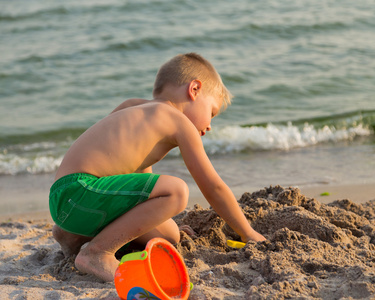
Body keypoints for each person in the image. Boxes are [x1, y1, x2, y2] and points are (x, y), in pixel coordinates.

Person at [49, 52, 266, 282]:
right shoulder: (178, 121)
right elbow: (213, 187)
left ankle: (71, 235)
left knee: (170, 234)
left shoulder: (131, 106)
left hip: (66, 201)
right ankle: (97, 252)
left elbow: (132, 173)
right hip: (82, 190)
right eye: (211, 112)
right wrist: (248, 232)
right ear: (194, 90)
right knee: (177, 191)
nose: (210, 125)